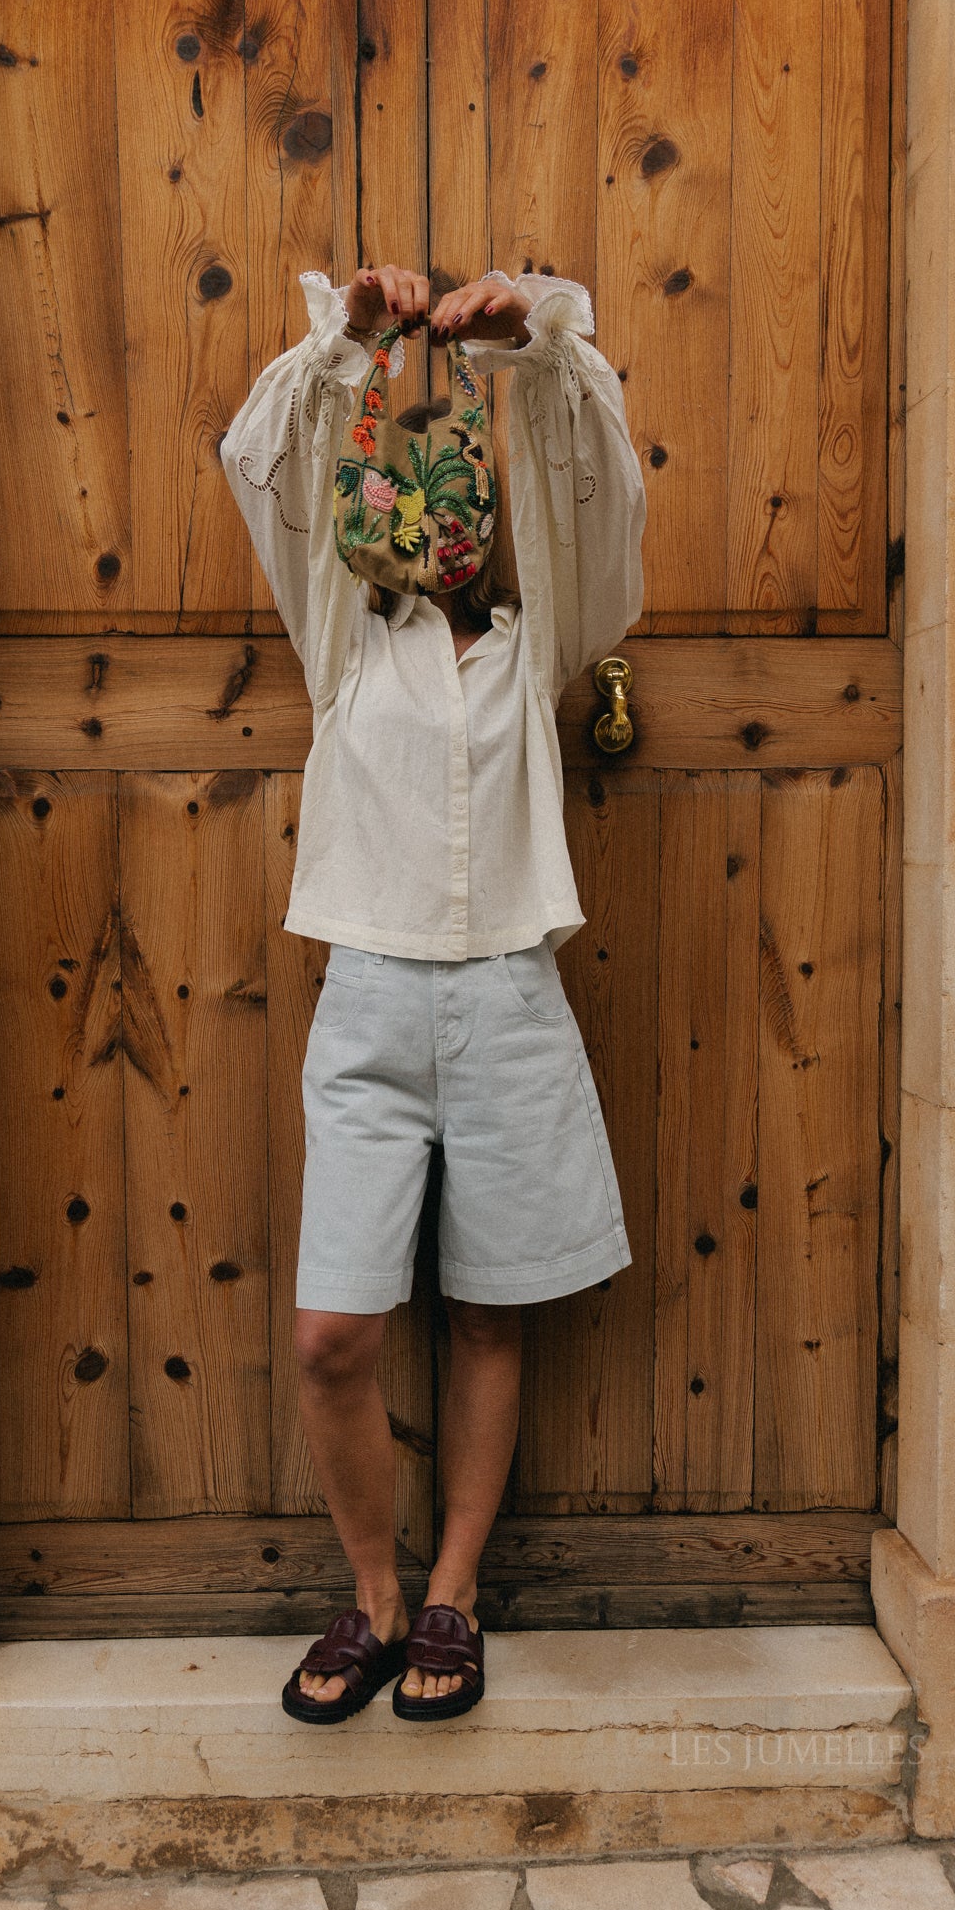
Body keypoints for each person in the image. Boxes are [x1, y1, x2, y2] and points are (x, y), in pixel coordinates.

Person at [222, 261, 646, 1723]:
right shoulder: (343, 646)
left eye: (463, 497)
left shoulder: (542, 652)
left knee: (486, 1314)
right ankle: (371, 1596)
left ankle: (451, 1592)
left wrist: (530, 332)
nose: (440, 527)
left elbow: (596, 484)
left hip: (511, 1002)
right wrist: (352, 340)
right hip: (372, 1000)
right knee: (331, 1333)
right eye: (414, 500)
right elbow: (262, 462)